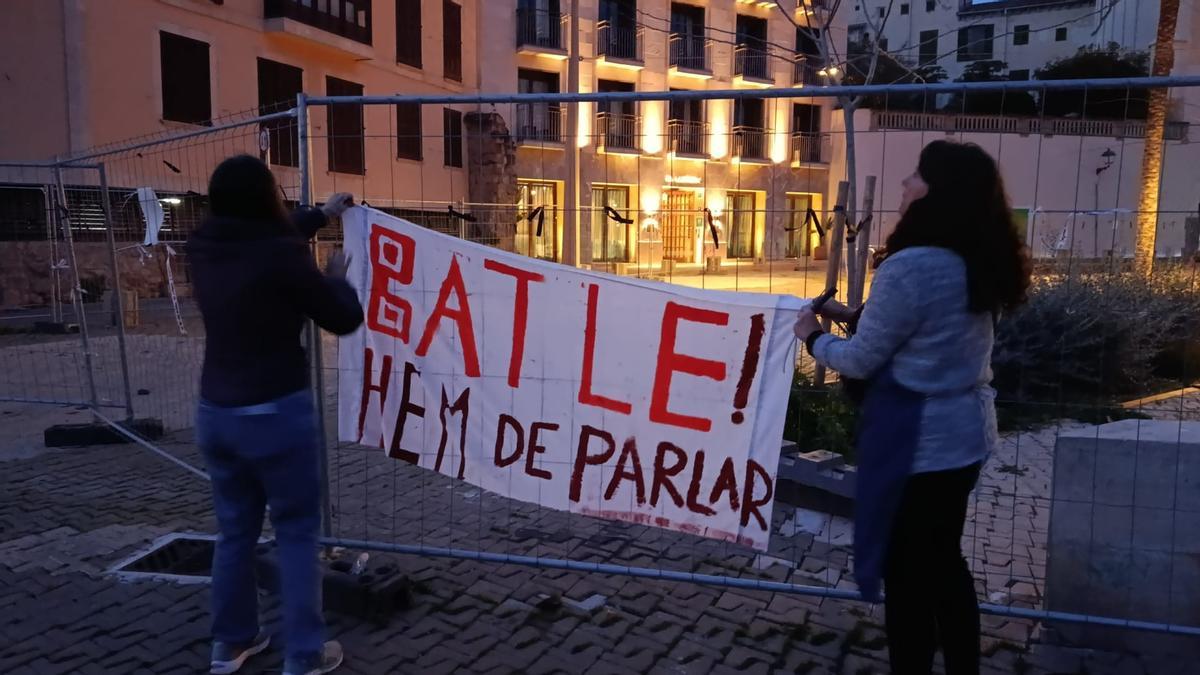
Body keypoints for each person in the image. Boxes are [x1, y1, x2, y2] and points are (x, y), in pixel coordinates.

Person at [794, 140, 1030, 675]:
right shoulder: (973, 258)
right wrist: (856, 313)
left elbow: (859, 360)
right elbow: (928, 334)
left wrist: (812, 337)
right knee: (946, 564)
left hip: (918, 445)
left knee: (908, 578)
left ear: (936, 191)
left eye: (915, 176)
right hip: (965, 438)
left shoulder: (912, 264)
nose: (904, 185)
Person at [188, 154, 363, 675]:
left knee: (235, 532)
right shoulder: (282, 255)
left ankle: (231, 644)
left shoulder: (202, 246)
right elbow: (343, 318)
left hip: (215, 412)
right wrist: (337, 278)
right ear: (266, 197)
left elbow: (269, 238)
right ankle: (305, 655)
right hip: (275, 413)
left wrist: (320, 214)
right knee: (295, 531)